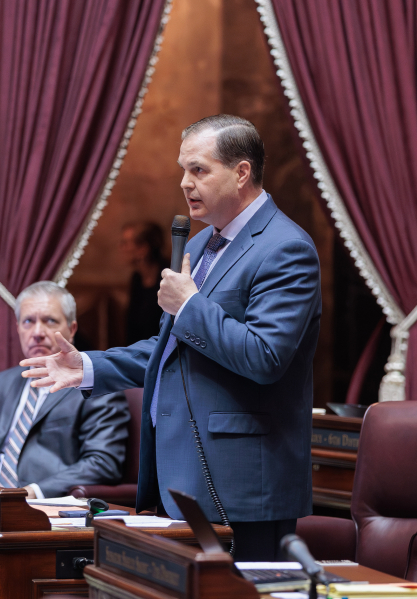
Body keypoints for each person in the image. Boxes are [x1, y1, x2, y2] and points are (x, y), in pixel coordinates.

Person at [22, 115, 321, 560]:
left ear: (241, 172)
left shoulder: (285, 247)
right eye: (183, 170)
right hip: (177, 473)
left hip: (242, 486)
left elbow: (265, 356)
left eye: (198, 170)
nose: (185, 183)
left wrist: (190, 306)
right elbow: (170, 351)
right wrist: (88, 366)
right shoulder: (199, 246)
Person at [0, 281, 129, 498]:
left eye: (50, 321)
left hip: (40, 504)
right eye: (28, 321)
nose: (37, 332)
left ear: (72, 330)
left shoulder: (96, 387)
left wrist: (32, 492)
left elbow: (102, 462)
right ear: (18, 329)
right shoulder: (2, 383)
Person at [120, 221, 169, 344]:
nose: (121, 248)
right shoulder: (136, 278)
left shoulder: (168, 276)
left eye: (125, 243)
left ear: (143, 249)